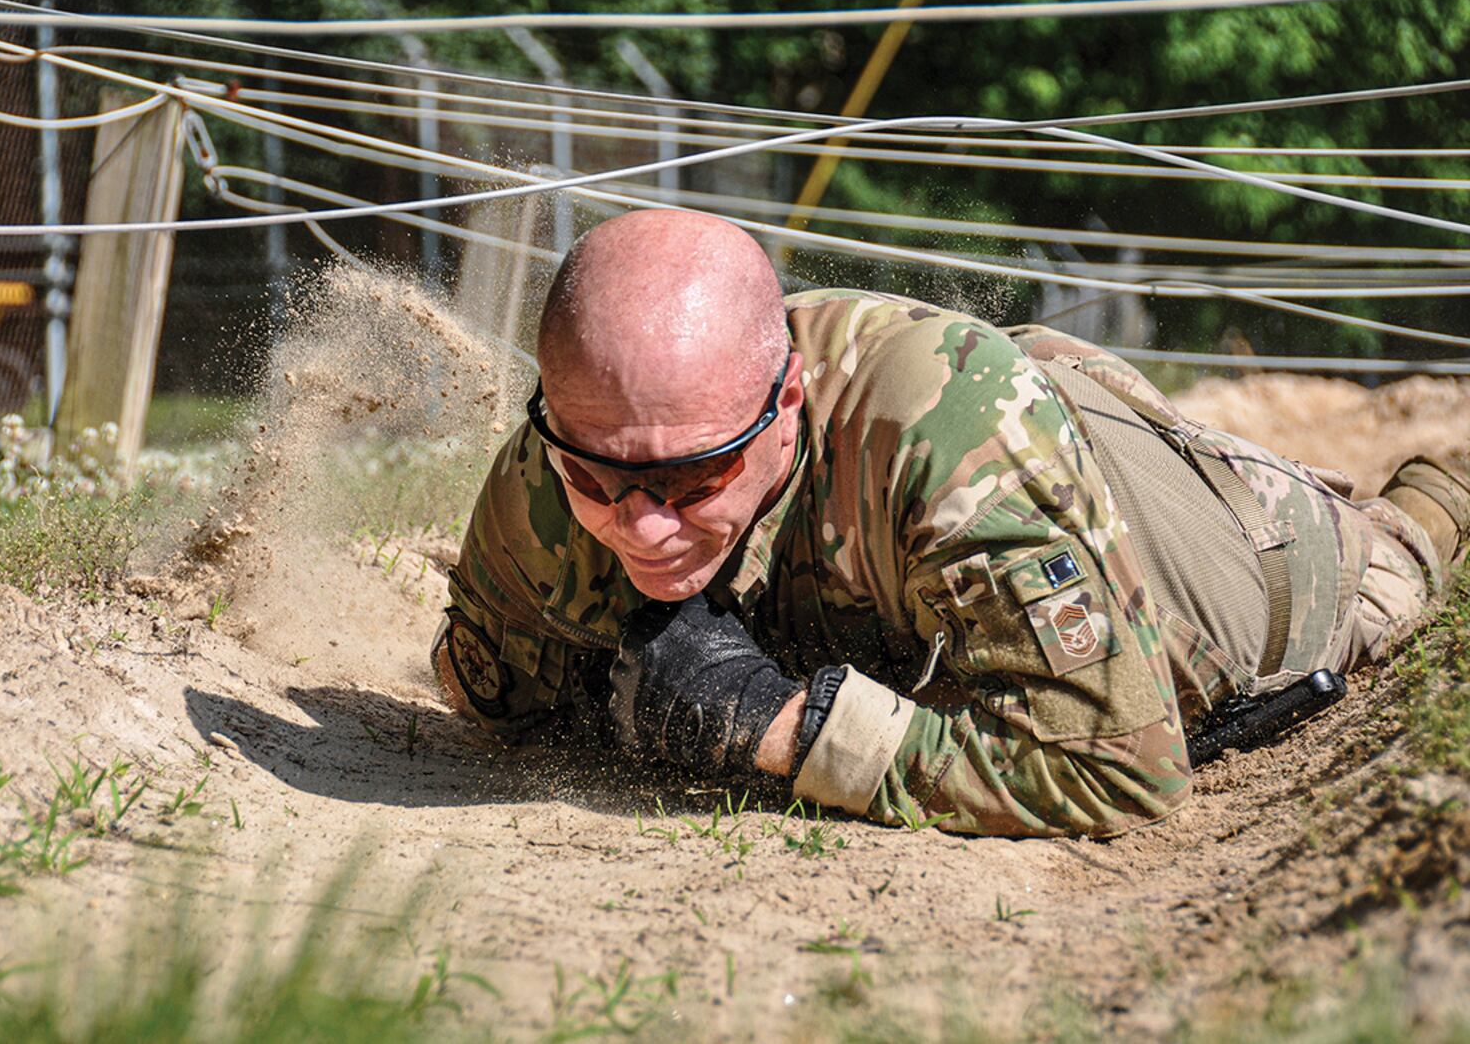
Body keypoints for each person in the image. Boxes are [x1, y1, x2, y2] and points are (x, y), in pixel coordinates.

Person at [432, 210, 1470, 838]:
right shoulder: (581, 440)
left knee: (1387, 546)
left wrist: (782, 728)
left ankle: (1438, 484)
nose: (643, 526)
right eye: (599, 478)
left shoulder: (943, 447)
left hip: (1245, 560)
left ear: (785, 401)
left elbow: (1122, 765)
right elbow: (490, 694)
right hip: (1013, 423)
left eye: (695, 481)